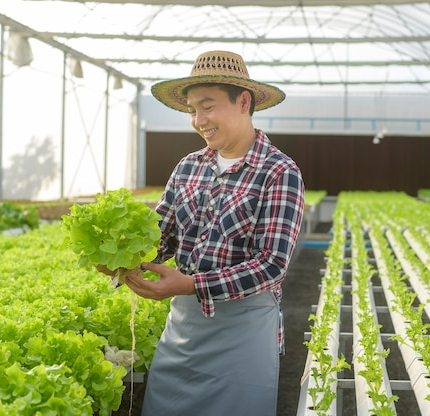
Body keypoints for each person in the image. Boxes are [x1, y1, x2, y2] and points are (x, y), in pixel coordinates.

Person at [122, 50, 305, 416]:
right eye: (192, 110)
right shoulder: (188, 167)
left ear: (243, 101)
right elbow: (161, 237)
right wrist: (123, 259)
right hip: (184, 330)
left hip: (244, 334)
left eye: (207, 106)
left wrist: (190, 284)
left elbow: (271, 265)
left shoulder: (279, 172)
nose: (198, 120)